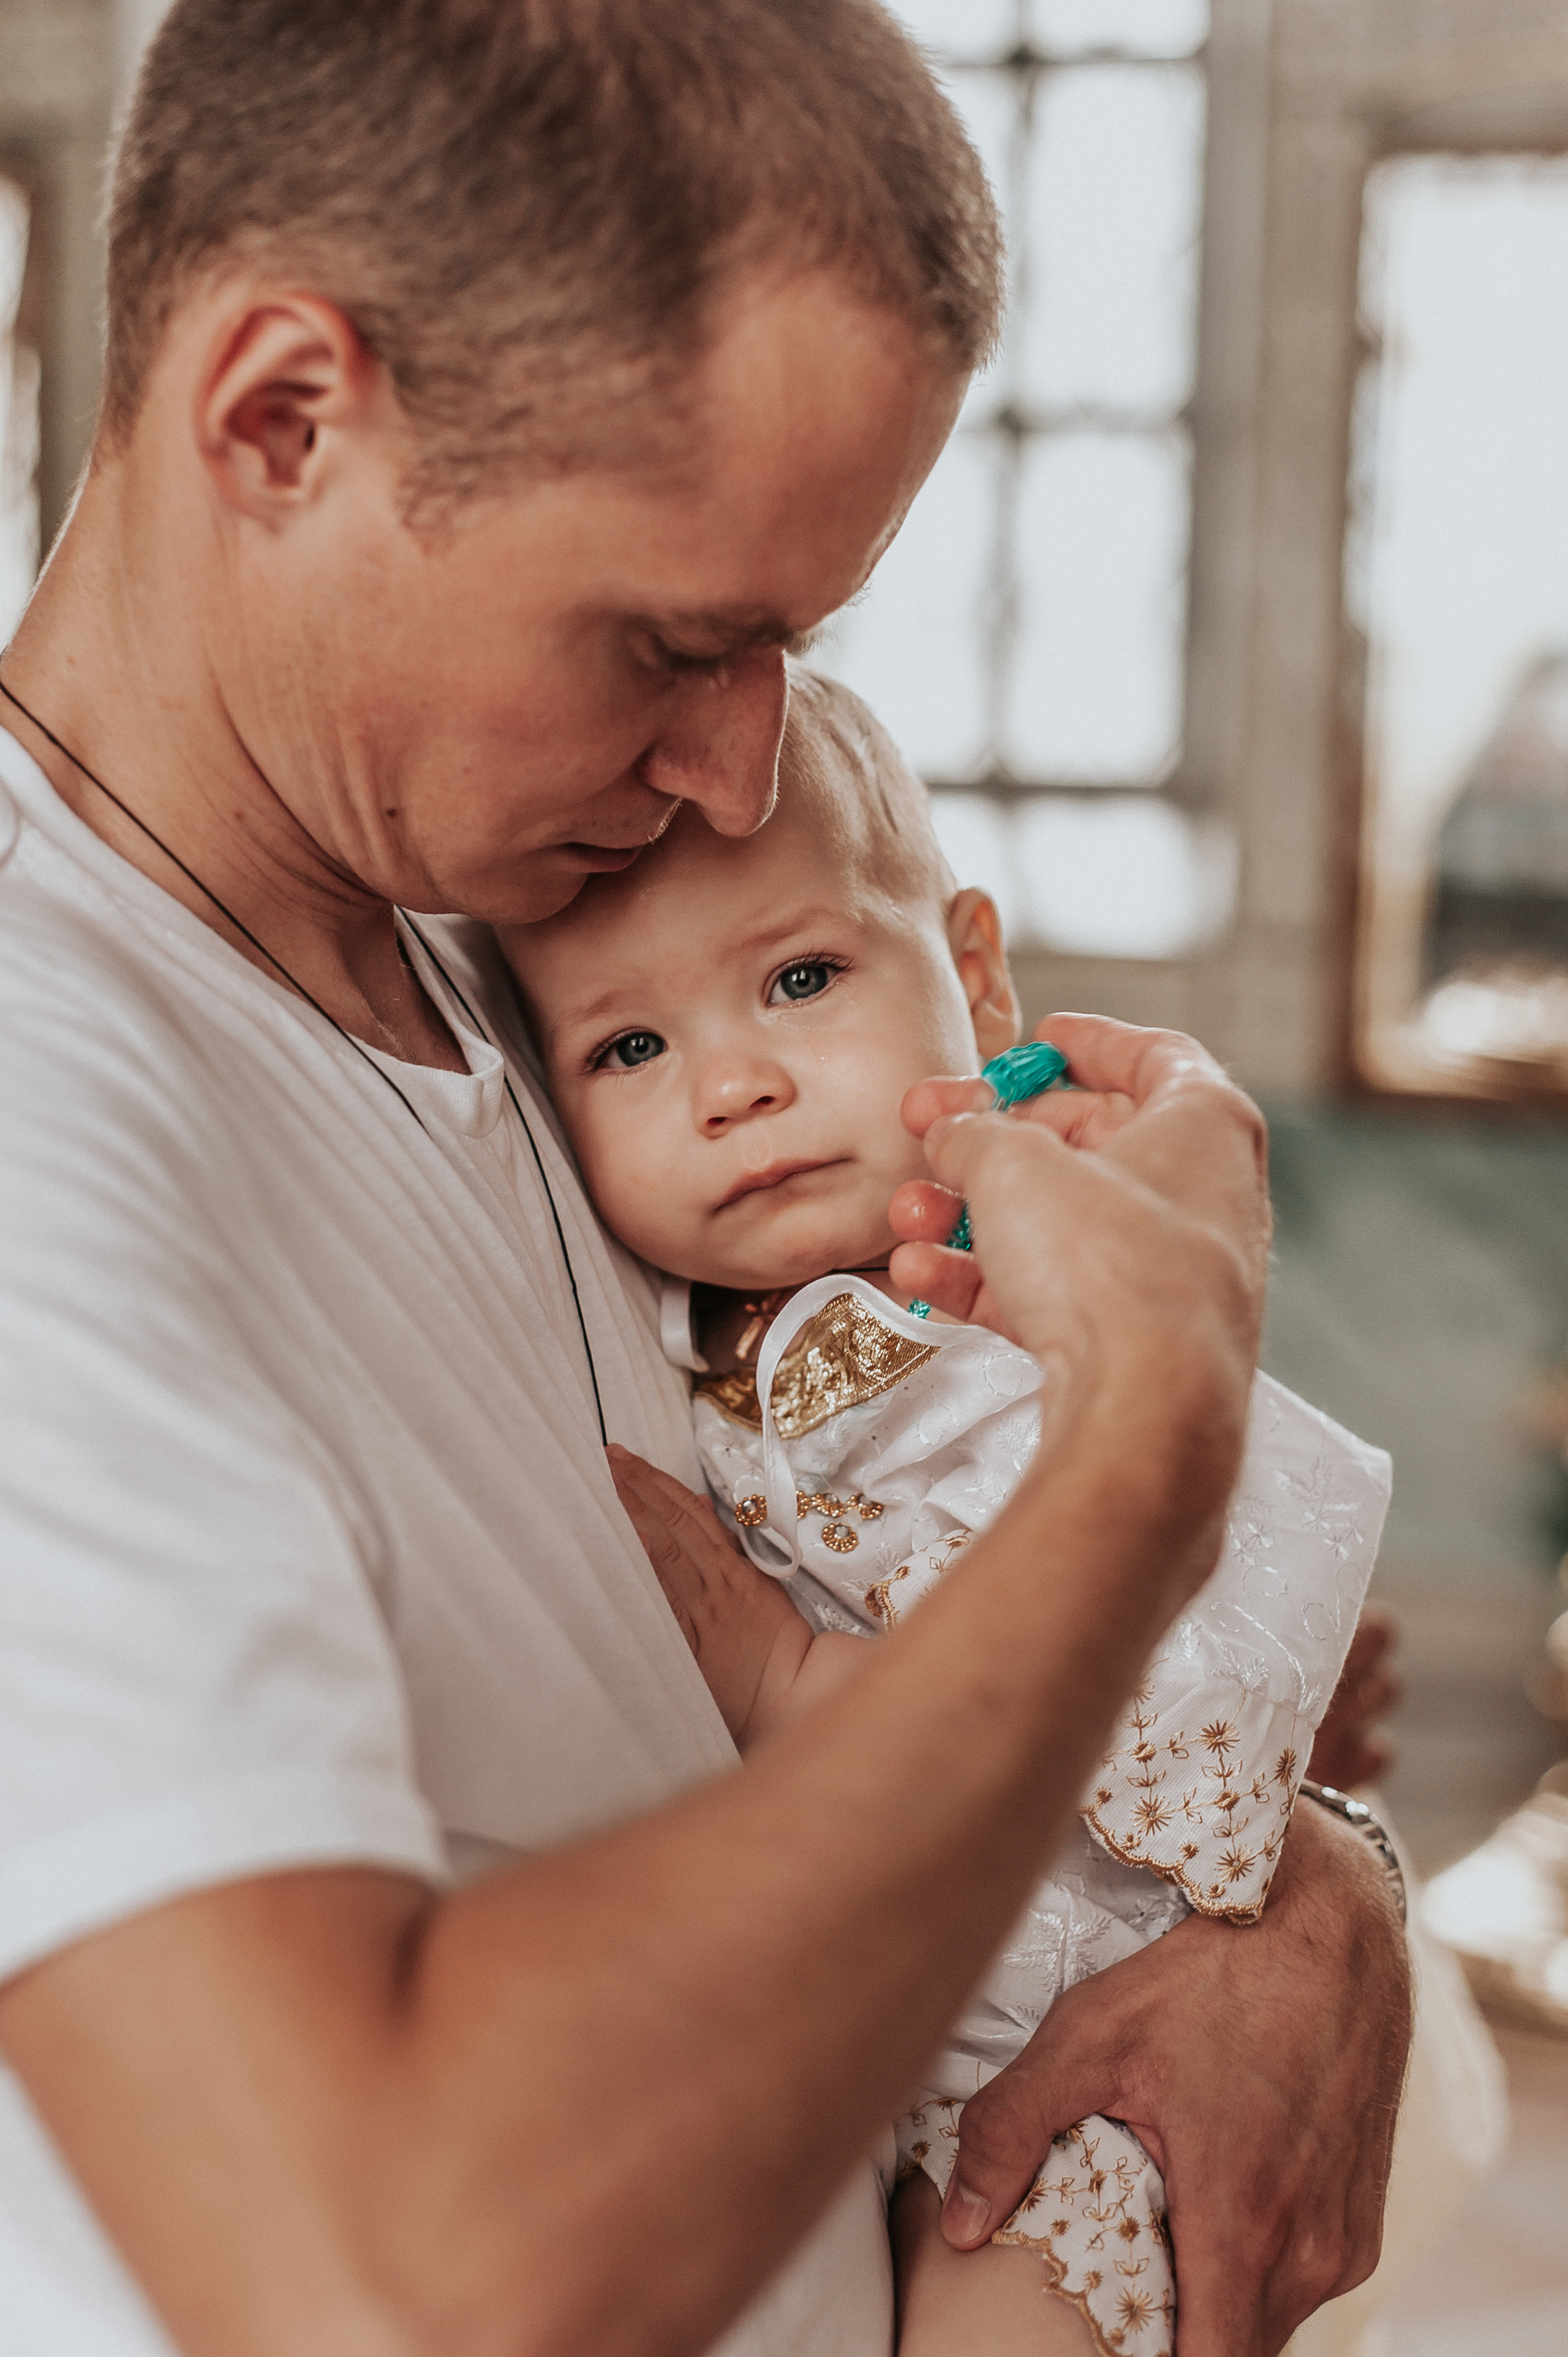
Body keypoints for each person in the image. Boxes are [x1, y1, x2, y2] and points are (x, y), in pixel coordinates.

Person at [0, 6, 1411, 2355]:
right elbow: (380, 2274)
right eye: (676, 641)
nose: (742, 772)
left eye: (792, 650)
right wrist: (1150, 1449)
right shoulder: (43, 1090)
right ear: (281, 415)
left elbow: (958, 1700)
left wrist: (1307, 1912)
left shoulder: (510, 939)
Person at [499, 673, 1395, 2356]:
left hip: (1088, 2056)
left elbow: (1133, 1693)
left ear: (975, 976)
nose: (731, 1084)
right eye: (629, 1046)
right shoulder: (688, 1336)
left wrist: (786, 1677)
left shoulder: (1012, 1328)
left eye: (801, 978)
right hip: (860, 2052)